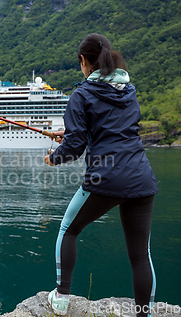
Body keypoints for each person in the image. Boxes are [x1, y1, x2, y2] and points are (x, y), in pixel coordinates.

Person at [44, 33, 159, 317]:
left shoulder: (81, 94)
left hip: (104, 178)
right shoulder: (128, 91)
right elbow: (112, 129)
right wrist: (71, 133)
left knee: (68, 230)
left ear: (83, 61)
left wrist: (53, 158)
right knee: (140, 254)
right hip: (141, 178)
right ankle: (145, 314)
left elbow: (74, 148)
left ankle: (60, 299)